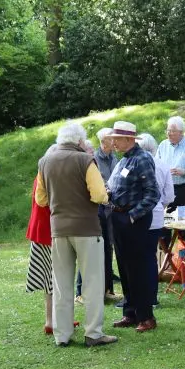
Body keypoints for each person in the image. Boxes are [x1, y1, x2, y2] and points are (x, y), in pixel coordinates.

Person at [36, 121, 117, 348]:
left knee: (61, 284)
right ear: (79, 141)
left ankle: (62, 334)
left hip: (58, 230)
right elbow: (100, 195)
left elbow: (40, 200)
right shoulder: (84, 160)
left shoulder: (45, 162)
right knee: (92, 281)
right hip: (86, 229)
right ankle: (93, 333)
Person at [108, 121, 161, 333]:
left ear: (129, 139)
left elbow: (153, 194)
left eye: (116, 139)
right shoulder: (124, 161)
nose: (113, 143)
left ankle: (146, 316)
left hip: (133, 220)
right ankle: (130, 313)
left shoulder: (143, 159)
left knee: (137, 269)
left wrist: (132, 216)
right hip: (118, 217)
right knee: (124, 267)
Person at [25, 175, 80, 335]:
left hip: (40, 230)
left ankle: (51, 320)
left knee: (50, 278)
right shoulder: (53, 175)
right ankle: (59, 320)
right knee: (59, 277)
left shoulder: (42, 173)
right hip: (50, 231)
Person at [76, 128, 122, 305]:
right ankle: (81, 291)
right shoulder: (93, 159)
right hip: (97, 209)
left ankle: (108, 289)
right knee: (91, 251)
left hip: (111, 209)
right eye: (113, 139)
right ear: (105, 141)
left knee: (108, 249)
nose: (116, 141)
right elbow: (97, 184)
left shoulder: (113, 157)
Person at [137, 133, 174, 307]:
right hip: (157, 214)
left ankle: (137, 297)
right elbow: (169, 196)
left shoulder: (134, 163)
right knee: (150, 257)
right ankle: (151, 298)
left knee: (135, 258)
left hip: (137, 216)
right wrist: (159, 205)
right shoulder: (162, 165)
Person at [156, 116, 185, 217]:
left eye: (172, 131)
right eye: (168, 130)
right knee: (164, 224)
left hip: (183, 191)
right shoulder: (163, 145)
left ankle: (182, 233)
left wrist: (184, 172)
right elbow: (156, 167)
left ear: (181, 132)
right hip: (165, 190)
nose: (169, 133)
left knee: (182, 223)